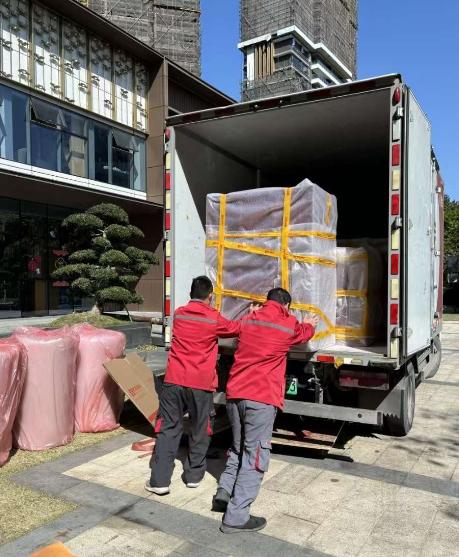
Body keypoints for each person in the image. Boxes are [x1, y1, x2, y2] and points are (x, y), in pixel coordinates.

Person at [213, 287, 319, 533]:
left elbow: (237, 329)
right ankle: (236, 517)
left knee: (238, 447)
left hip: (235, 395)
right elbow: (303, 334)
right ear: (287, 306)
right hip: (261, 398)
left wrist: (252, 313)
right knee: (255, 455)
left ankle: (224, 492)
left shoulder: (249, 319)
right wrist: (310, 323)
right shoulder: (287, 324)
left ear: (266, 302)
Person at [145, 276, 242, 496]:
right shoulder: (213, 318)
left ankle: (159, 481)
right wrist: (252, 313)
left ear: (190, 294)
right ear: (211, 296)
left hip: (174, 380)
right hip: (200, 383)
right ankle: (194, 476)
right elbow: (236, 328)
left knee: (168, 428)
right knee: (200, 428)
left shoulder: (179, 314)